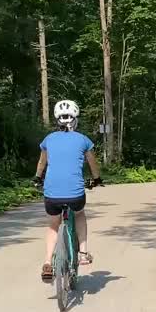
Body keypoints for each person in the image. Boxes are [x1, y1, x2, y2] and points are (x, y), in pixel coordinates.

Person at [34, 99, 102, 283]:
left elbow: (42, 163)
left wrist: (37, 178)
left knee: (52, 225)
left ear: (57, 121)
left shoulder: (48, 139)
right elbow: (92, 163)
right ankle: (83, 253)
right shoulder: (83, 139)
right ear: (75, 120)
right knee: (79, 214)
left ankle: (48, 262)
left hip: (52, 194)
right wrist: (97, 179)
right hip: (75, 194)